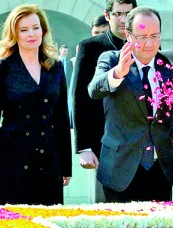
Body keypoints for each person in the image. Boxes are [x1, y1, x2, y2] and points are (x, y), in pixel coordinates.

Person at [87, 6, 173, 202]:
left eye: (154, 36)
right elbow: (94, 90)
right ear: (128, 34)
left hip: (161, 167)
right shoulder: (111, 59)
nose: (149, 44)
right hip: (120, 167)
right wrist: (117, 74)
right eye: (142, 37)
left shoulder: (172, 60)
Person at [0, 3, 72, 206]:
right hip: (11, 160)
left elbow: (62, 119)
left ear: (43, 30)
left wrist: (66, 166)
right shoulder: (2, 68)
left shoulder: (55, 68)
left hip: (48, 160)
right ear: (15, 34)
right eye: (24, 29)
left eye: (36, 27)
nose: (31, 34)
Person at [72, 0, 137, 171]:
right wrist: (83, 147)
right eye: (117, 14)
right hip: (102, 140)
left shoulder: (147, 44)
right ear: (107, 16)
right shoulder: (90, 47)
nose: (123, 20)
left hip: (139, 141)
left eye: (128, 14)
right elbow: (79, 97)